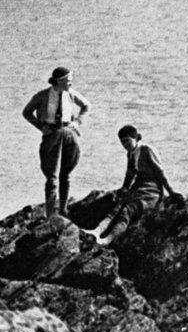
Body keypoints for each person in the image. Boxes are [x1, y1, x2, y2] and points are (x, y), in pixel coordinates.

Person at [21, 65, 90, 216]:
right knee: (51, 176)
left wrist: (77, 122)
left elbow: (86, 105)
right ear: (59, 81)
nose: (70, 84)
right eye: (68, 81)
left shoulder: (70, 93)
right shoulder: (42, 96)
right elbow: (26, 112)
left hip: (69, 133)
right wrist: (40, 126)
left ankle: (63, 209)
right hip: (51, 134)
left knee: (66, 174)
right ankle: (50, 214)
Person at [88, 125, 174, 247]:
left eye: (127, 140)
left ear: (136, 138)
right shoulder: (130, 153)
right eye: (122, 142)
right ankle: (97, 231)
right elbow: (130, 174)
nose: (125, 144)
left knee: (127, 210)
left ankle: (107, 239)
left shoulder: (147, 150)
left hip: (151, 193)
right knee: (117, 207)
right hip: (138, 189)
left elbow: (160, 173)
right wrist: (124, 189)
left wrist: (171, 192)